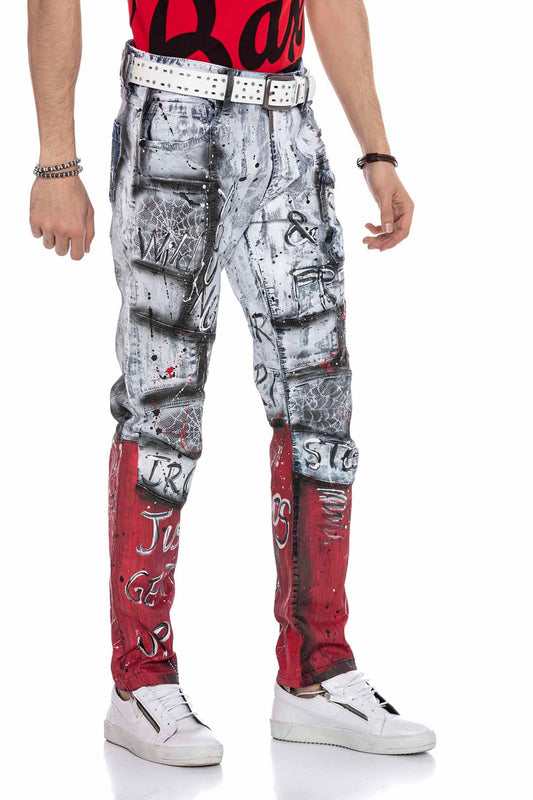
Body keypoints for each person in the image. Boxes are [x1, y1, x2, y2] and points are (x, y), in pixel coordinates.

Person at [28, 0, 435, 767]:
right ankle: (140, 683)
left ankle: (315, 673)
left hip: (290, 126)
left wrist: (376, 152)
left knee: (320, 402)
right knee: (162, 405)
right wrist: (57, 162)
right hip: (174, 117)